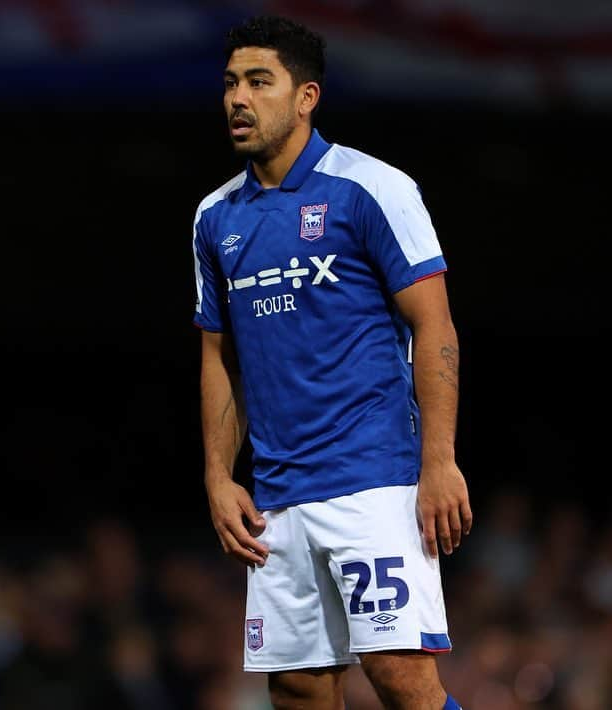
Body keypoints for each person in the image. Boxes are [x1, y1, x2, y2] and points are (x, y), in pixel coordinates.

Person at [191, 15, 472, 710]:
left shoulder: (371, 189)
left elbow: (433, 326)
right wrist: (217, 476)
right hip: (277, 495)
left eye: (259, 82)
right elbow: (217, 356)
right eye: (230, 83)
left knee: (400, 677)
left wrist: (438, 460)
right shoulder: (214, 217)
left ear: (305, 96)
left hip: (373, 480)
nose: (238, 99)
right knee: (298, 690)